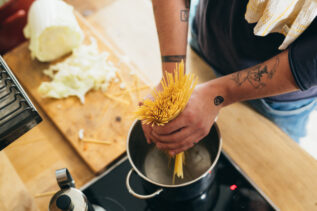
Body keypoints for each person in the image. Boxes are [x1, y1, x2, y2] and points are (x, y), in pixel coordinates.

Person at [141, 0, 317, 156]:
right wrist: (172, 78)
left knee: (273, 159)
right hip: (209, 43)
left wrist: (217, 94)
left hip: (278, 96)